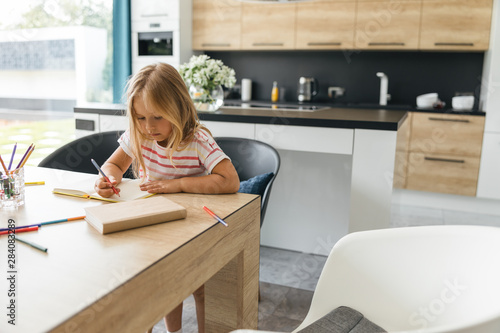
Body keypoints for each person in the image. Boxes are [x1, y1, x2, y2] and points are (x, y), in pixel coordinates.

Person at [94, 62, 240, 333]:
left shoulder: (197, 140)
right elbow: (113, 165)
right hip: (154, 224)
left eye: (157, 117)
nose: (148, 127)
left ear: (179, 107)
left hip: (193, 225)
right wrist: (109, 178)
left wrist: (177, 184)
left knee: (199, 287)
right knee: (160, 285)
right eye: (140, 118)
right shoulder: (139, 136)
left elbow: (229, 180)